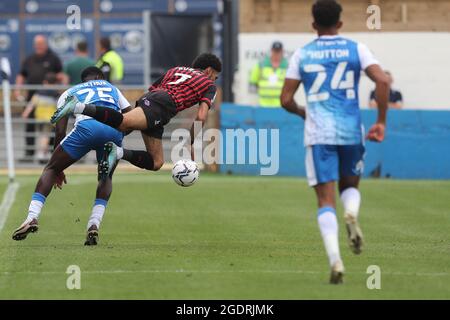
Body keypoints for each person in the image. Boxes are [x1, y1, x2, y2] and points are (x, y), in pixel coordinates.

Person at [280, 0, 390, 284]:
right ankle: (351, 212)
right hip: (351, 131)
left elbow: (285, 99)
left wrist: (303, 112)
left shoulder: (302, 54)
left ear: (313, 24)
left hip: (319, 134)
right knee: (350, 186)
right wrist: (380, 121)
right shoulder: (357, 48)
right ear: (340, 23)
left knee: (324, 199)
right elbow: (382, 81)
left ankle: (336, 261)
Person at [12, 67, 132, 246]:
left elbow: (60, 130)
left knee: (50, 169)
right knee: (106, 177)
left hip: (87, 127)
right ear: (100, 77)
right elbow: (131, 116)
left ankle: (32, 217)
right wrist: (119, 135)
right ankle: (93, 223)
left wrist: (59, 167)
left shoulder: (70, 92)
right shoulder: (111, 87)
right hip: (113, 131)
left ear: (83, 81)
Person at [51, 53, 221, 178]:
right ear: (208, 71)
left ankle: (117, 152)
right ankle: (79, 107)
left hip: (154, 102)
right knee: (124, 124)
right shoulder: (208, 84)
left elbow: (153, 90)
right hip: (162, 105)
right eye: (215, 76)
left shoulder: (175, 70)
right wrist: (191, 141)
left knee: (156, 162)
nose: (214, 80)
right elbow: (201, 116)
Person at [15, 34, 68, 161]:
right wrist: (17, 90)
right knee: (30, 125)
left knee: (50, 127)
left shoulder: (53, 58)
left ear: (45, 44)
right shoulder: (29, 59)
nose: (38, 46)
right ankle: (29, 153)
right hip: (33, 98)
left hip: (49, 101)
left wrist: (63, 91)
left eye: (40, 44)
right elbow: (21, 75)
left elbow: (62, 76)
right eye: (36, 44)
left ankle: (49, 153)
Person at [21, 73, 59, 163]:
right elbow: (59, 106)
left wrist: (25, 113)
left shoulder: (39, 92)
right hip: (49, 118)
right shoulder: (56, 94)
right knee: (45, 136)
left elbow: (32, 103)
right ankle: (42, 153)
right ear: (55, 83)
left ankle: (44, 152)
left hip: (39, 117)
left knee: (43, 135)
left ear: (44, 82)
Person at [249, 41, 288, 107]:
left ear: (282, 52)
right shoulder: (261, 65)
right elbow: (253, 82)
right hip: (263, 105)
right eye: (275, 51)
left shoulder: (288, 67)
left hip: (281, 106)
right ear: (271, 51)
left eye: (278, 52)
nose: (276, 54)